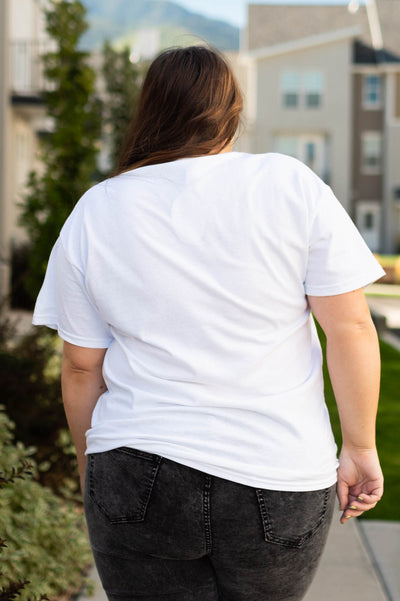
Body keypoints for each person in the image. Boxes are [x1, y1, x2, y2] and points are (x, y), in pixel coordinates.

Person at [32, 46, 384, 601]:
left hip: (136, 466)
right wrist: (360, 446)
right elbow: (351, 330)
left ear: (149, 110)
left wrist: (90, 467)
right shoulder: (291, 185)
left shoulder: (97, 208)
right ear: (232, 110)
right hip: (277, 471)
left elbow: (80, 366)